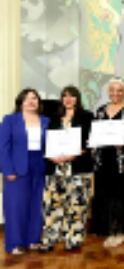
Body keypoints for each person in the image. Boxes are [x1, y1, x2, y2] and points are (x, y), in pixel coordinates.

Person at [40, 86, 94, 252]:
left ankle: (74, 239)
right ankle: (50, 239)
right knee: (52, 205)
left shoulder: (87, 117)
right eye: (65, 96)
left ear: (78, 98)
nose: (68, 99)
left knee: (76, 205)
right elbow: (46, 142)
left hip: (78, 167)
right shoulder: (53, 118)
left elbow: (91, 142)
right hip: (54, 167)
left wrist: (75, 154)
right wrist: (50, 156)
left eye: (72, 96)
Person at [91, 78, 124, 248]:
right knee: (104, 192)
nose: (115, 93)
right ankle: (106, 228)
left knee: (121, 194)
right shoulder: (100, 110)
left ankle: (121, 230)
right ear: (108, 92)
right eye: (112, 90)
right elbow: (94, 132)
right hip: (103, 158)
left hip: (123, 160)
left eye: (119, 90)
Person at [0, 89, 49, 255]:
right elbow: (3, 148)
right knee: (15, 206)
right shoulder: (10, 120)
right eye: (26, 99)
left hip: (40, 165)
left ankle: (33, 240)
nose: (31, 101)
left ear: (38, 102)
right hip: (17, 166)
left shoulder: (46, 121)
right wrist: (7, 170)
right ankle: (14, 243)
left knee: (36, 204)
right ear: (20, 102)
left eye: (34, 98)